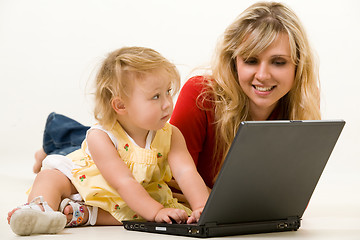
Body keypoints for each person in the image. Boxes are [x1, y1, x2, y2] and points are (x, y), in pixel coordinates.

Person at [33, 1, 320, 205]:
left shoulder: (297, 110)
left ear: (298, 66)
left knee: (128, 139)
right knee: (84, 147)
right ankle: (58, 139)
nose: (263, 74)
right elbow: (167, 180)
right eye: (251, 60)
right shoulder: (201, 95)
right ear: (234, 62)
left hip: (140, 149)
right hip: (128, 156)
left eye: (279, 62)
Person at [7, 46, 210, 236]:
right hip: (87, 184)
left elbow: (186, 173)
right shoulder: (101, 136)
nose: (167, 104)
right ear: (120, 105)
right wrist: (156, 211)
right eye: (156, 96)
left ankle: (85, 214)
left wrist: (202, 207)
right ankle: (41, 210)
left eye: (168, 92)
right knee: (49, 177)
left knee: (141, 213)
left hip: (134, 196)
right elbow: (123, 181)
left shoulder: (172, 134)